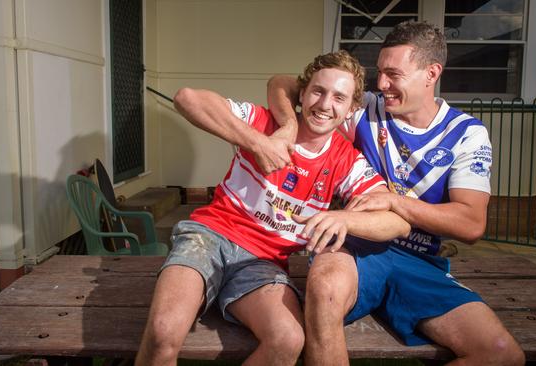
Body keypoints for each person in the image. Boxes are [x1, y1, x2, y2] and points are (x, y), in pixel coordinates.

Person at [267, 21, 526, 365]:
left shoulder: (467, 134)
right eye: (380, 73)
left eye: (393, 74)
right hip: (355, 249)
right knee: (324, 288)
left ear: (431, 73)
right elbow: (282, 83)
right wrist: (287, 127)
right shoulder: (367, 110)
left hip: (420, 261)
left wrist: (394, 201)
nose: (381, 84)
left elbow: (471, 223)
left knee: (501, 355)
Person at [135, 51, 411, 366]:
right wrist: (257, 142)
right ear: (303, 93)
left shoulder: (345, 159)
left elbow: (398, 223)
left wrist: (344, 218)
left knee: (288, 340)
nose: (324, 104)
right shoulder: (265, 122)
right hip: (209, 238)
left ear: (351, 109)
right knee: (162, 333)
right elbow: (187, 99)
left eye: (339, 97)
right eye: (318, 91)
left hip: (262, 263)